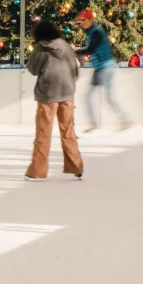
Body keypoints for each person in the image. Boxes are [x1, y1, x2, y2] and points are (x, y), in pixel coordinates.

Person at [24, 21, 84, 181]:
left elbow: (32, 69)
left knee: (43, 133)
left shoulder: (41, 48)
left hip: (48, 95)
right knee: (68, 131)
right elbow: (75, 70)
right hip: (67, 93)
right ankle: (76, 166)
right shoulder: (66, 46)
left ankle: (37, 171)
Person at [76, 9, 130, 132]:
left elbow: (90, 50)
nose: (81, 22)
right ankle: (93, 122)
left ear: (91, 20)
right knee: (87, 95)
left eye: (84, 20)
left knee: (109, 97)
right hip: (99, 68)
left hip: (106, 68)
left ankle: (124, 119)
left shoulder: (97, 32)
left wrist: (74, 52)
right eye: (80, 20)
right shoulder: (91, 32)